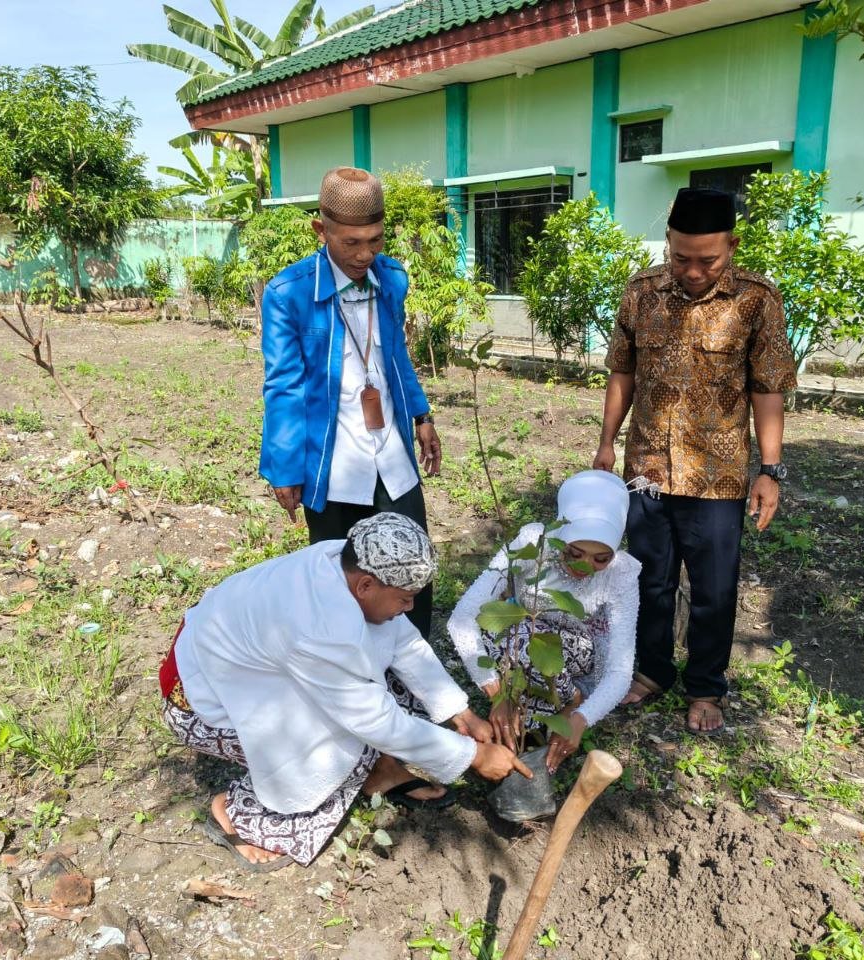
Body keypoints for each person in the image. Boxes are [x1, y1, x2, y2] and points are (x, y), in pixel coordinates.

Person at [158, 512, 529, 871]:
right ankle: (238, 812)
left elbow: (401, 640)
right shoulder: (318, 627)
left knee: (392, 688)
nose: (410, 607)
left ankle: (379, 770)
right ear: (366, 586)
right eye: (404, 598)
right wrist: (473, 756)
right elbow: (373, 721)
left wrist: (460, 712)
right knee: (340, 742)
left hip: (254, 672)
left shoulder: (344, 563)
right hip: (201, 706)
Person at [593, 187, 797, 735]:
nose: (693, 271)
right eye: (681, 257)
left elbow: (768, 389)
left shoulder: (757, 300)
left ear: (732, 246)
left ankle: (706, 685)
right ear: (668, 242)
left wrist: (770, 470)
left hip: (718, 475)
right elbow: (622, 372)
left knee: (714, 589)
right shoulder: (640, 293)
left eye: (708, 260)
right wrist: (607, 442)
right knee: (647, 580)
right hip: (648, 468)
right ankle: (653, 670)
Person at [260, 166, 442, 638]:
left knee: (411, 567)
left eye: (375, 240)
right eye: (351, 243)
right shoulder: (289, 294)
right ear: (321, 231)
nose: (365, 255)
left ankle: (413, 663)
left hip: (392, 457)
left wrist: (421, 414)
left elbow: (396, 356)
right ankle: (350, 667)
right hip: (334, 465)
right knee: (341, 581)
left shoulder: (392, 279)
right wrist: (285, 468)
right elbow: (283, 385)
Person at [447, 470, 640, 774]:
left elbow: (619, 670)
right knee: (518, 633)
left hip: (575, 655)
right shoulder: (534, 543)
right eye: (574, 553)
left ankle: (571, 700)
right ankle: (525, 709)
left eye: (600, 559)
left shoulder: (621, 573)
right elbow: (462, 618)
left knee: (537, 642)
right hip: (520, 642)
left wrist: (580, 719)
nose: (585, 565)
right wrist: (496, 693)